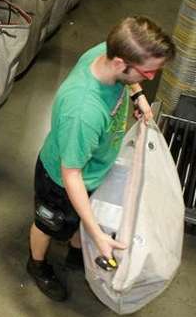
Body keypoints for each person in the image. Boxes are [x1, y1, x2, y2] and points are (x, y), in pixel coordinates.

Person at [26, 16, 176, 301]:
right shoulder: (83, 112)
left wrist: (138, 94)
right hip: (60, 182)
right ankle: (37, 264)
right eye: (147, 74)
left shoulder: (106, 53)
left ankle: (74, 248)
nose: (151, 78)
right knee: (49, 224)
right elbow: (71, 175)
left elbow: (132, 76)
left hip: (92, 170)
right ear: (121, 64)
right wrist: (97, 233)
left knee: (77, 220)